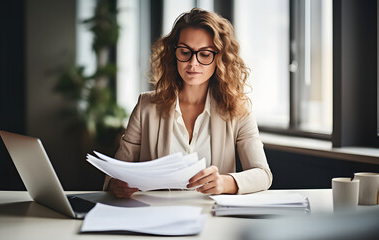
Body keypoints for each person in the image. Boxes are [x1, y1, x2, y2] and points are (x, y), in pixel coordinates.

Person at [105, 8, 272, 198]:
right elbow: (116, 173)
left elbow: (263, 174)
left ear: (220, 58)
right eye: (185, 52)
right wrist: (115, 184)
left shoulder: (238, 109)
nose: (193, 63)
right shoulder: (146, 106)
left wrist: (225, 182)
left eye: (205, 54)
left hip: (212, 217)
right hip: (155, 215)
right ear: (173, 53)